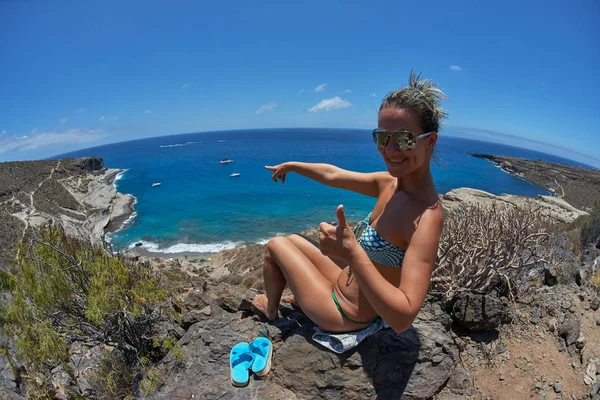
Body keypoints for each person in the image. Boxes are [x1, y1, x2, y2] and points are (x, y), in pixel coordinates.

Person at [251, 71, 446, 333]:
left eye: (404, 139)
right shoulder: (389, 183)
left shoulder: (426, 216)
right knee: (294, 239)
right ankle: (299, 298)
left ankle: (271, 311)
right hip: (344, 281)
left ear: (429, 141)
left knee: (275, 246)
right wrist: (294, 166)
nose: (389, 149)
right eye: (382, 137)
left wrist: (352, 252)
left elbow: (403, 319)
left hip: (345, 312)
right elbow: (334, 175)